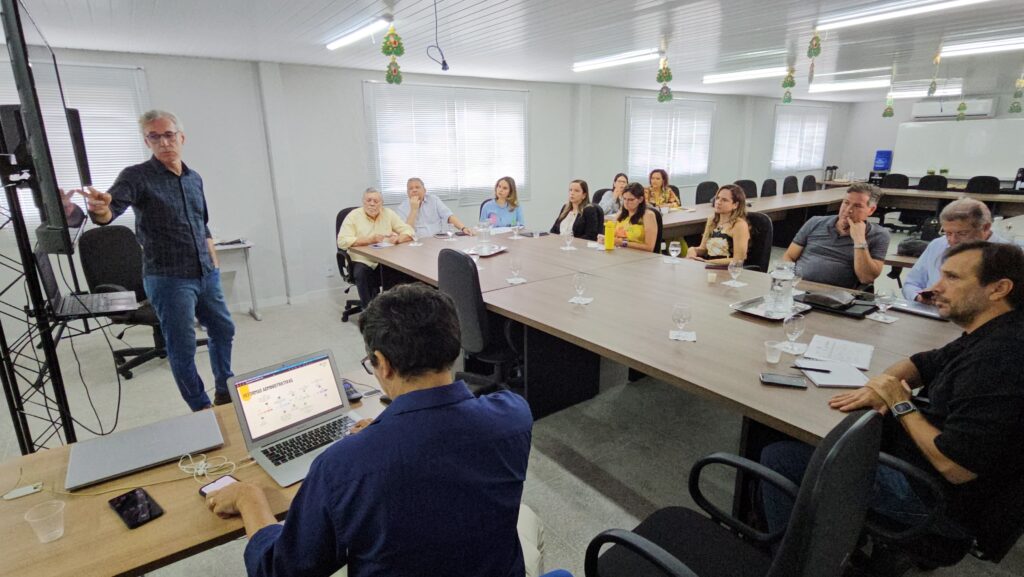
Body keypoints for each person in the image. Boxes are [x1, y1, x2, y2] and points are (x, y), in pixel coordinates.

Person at [206, 283, 534, 577]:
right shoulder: (514, 416)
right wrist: (382, 428)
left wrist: (250, 500)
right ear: (453, 344)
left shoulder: (342, 466)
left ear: (383, 362)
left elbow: (279, 570)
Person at [761, 241, 1024, 547]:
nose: (936, 287)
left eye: (952, 278)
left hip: (937, 500)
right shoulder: (993, 330)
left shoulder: (1001, 359)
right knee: (808, 432)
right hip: (922, 462)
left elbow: (956, 467)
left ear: (999, 289)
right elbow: (920, 364)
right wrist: (877, 387)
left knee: (778, 456)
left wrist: (899, 403)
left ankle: (794, 562)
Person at [80, 110, 235, 411]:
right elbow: (111, 210)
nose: (163, 142)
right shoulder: (136, 176)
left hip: (205, 272)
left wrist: (213, 263)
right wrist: (100, 210)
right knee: (182, 346)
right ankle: (200, 407)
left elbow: (202, 225)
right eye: (155, 136)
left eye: (168, 134)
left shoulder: (194, 178)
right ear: (147, 141)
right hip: (168, 278)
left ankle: (225, 390)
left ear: (181, 137)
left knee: (223, 330)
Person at [783, 183, 890, 289]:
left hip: (837, 297)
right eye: (846, 203)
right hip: (797, 287)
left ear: (871, 210)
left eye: (857, 206)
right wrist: (787, 282)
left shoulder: (879, 235)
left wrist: (859, 240)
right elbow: (789, 256)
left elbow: (866, 278)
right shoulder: (815, 222)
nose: (848, 210)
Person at [902, 198, 1008, 303]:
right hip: (932, 311)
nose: (952, 240)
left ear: (985, 228)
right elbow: (911, 284)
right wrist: (919, 297)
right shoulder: (938, 244)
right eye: (947, 233)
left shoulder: (1008, 255)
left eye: (962, 233)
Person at [337, 188, 414, 307]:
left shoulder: (388, 213)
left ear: (381, 204)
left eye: (376, 201)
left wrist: (399, 238)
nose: (372, 204)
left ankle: (392, 310)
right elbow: (342, 241)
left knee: (400, 270)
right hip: (361, 259)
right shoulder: (353, 216)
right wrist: (369, 240)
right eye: (369, 200)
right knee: (361, 273)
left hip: (385, 258)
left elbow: (408, 230)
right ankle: (369, 313)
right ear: (363, 202)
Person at [686, 184, 750, 264]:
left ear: (735, 205)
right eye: (717, 198)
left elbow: (738, 259)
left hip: (728, 270)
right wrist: (693, 250)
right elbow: (703, 249)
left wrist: (707, 262)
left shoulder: (739, 225)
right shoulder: (712, 220)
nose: (718, 202)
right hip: (708, 267)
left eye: (724, 200)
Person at [396, 178, 473, 237]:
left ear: (424, 190)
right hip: (416, 243)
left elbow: (449, 216)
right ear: (407, 193)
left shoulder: (434, 200)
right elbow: (406, 232)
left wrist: (463, 228)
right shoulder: (402, 208)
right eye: (411, 188)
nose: (414, 190)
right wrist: (414, 209)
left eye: (417, 187)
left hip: (437, 239)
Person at [598, 182, 657, 252]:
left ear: (640, 199)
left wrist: (623, 243)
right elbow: (613, 236)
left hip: (638, 256)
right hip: (619, 252)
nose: (626, 202)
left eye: (631, 200)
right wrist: (605, 239)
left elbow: (649, 247)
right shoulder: (620, 213)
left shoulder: (648, 215)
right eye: (624, 199)